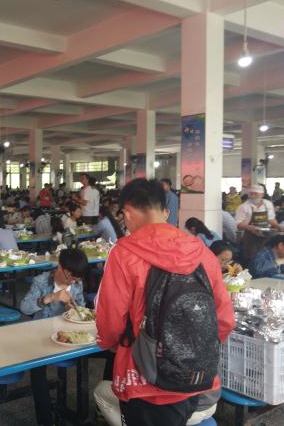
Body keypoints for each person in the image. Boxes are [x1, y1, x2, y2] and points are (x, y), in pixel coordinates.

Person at [95, 178, 234, 426]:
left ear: (128, 212)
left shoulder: (124, 253)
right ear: (166, 211)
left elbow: (111, 321)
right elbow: (224, 320)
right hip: (197, 381)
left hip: (145, 381)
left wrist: (111, 344)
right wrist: (192, 351)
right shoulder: (202, 252)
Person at [20, 248, 88, 426]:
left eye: (76, 279)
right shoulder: (41, 281)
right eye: (69, 277)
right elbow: (24, 308)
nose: (72, 282)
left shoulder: (77, 284)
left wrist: (72, 310)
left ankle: (80, 413)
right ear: (60, 267)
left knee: (85, 359)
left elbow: (81, 309)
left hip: (67, 336)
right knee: (37, 369)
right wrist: (50, 298)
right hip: (41, 336)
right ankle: (45, 420)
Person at [235, 184, 283, 261]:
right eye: (251, 194)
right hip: (250, 239)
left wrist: (277, 226)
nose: (253, 196)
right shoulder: (243, 207)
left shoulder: (268, 204)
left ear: (262, 195)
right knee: (251, 259)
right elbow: (238, 223)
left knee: (266, 258)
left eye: (256, 194)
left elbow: (271, 219)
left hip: (266, 238)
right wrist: (249, 227)